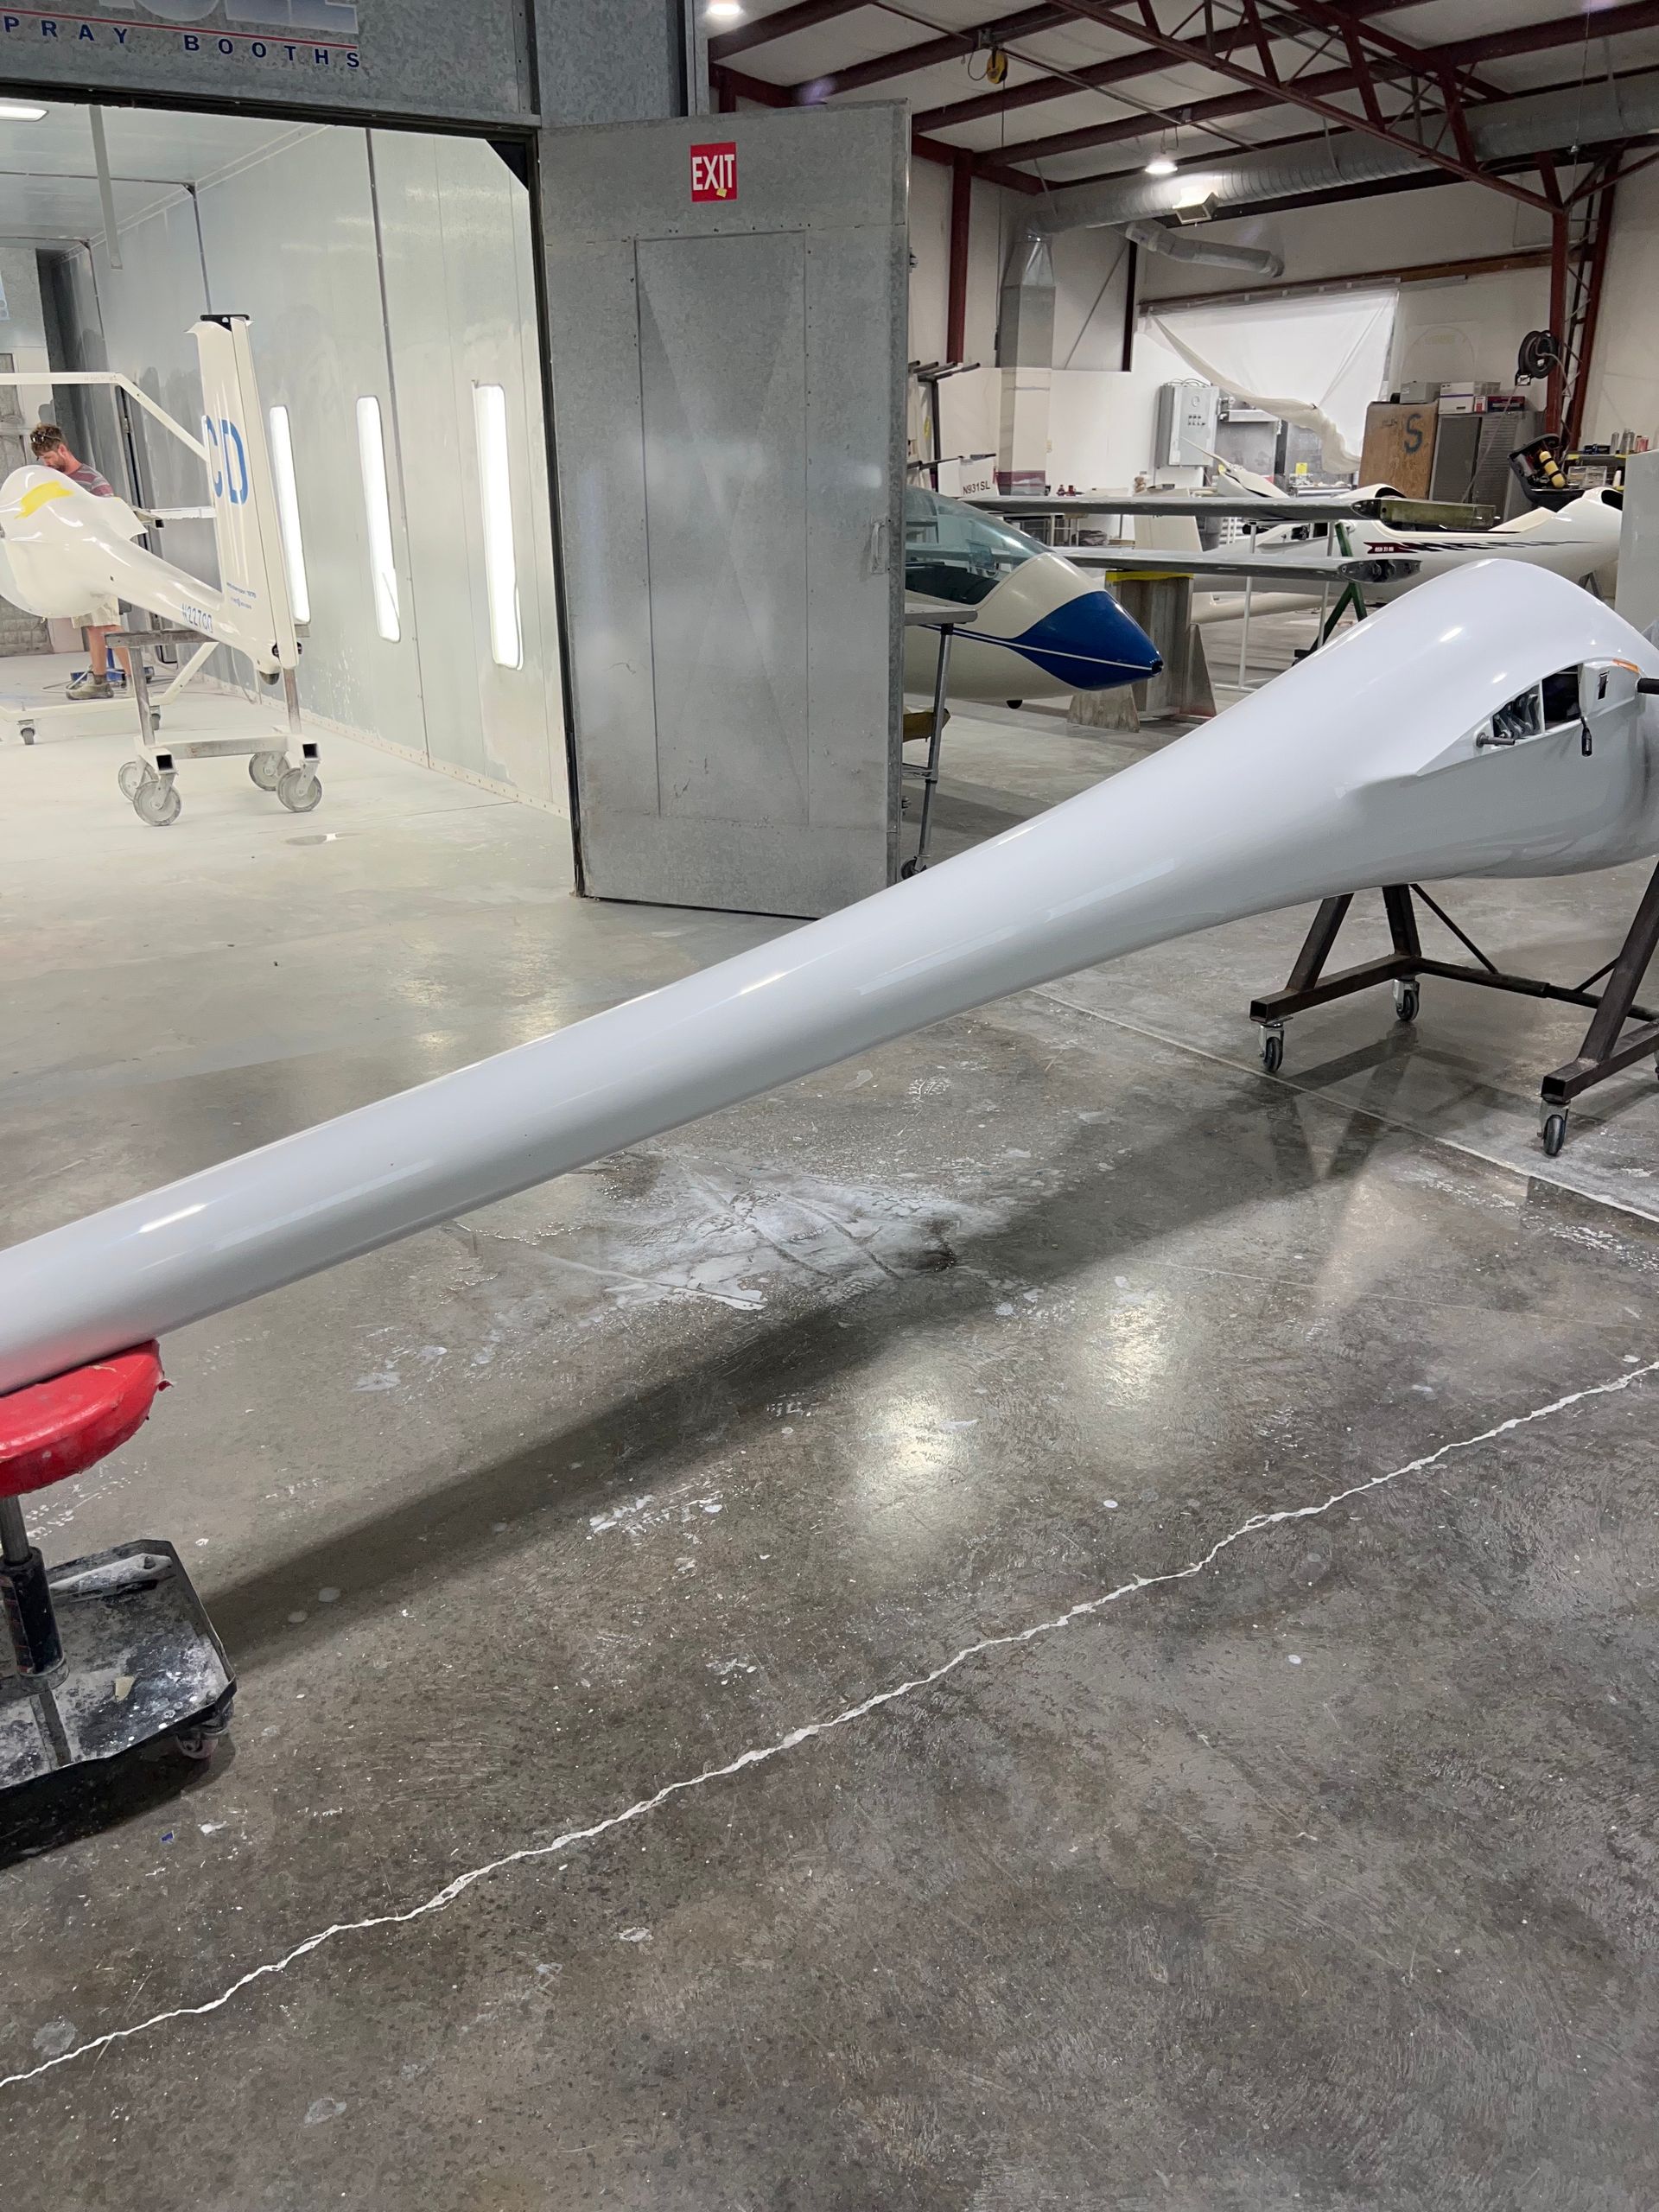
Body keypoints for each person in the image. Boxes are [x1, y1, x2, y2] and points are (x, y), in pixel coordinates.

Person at [29, 423, 130, 701]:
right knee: (92, 624)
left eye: (50, 458)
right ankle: (99, 680)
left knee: (108, 623)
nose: (48, 464)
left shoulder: (92, 481)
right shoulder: (53, 482)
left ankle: (133, 679)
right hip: (76, 562)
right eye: (43, 461)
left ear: (62, 449)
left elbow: (111, 520)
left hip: (100, 561)